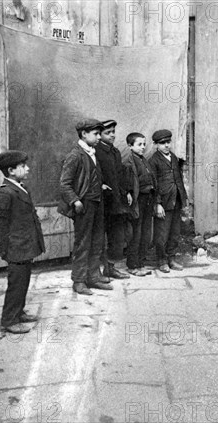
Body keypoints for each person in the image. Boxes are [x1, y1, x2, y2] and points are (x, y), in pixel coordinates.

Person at [0, 150, 45, 334]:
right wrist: (3, 249)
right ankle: (9, 320)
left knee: (23, 281)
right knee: (16, 284)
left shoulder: (21, 188)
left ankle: (19, 312)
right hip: (15, 247)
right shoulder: (5, 193)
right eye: (23, 166)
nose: (28, 168)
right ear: (11, 170)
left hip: (25, 246)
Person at [58, 119, 112, 295]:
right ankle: (79, 281)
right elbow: (64, 184)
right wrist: (75, 200)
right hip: (84, 205)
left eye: (99, 133)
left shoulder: (91, 153)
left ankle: (93, 277)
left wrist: (100, 186)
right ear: (84, 134)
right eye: (96, 134)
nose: (98, 137)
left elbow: (90, 177)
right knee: (83, 243)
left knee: (97, 240)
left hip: (97, 203)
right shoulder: (75, 155)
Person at [95, 119, 131, 280]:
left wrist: (127, 192)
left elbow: (120, 175)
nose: (111, 135)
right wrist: (100, 185)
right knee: (98, 238)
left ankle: (110, 268)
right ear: (99, 135)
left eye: (113, 132)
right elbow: (91, 174)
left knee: (116, 237)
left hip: (116, 202)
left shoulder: (115, 152)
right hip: (101, 202)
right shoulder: (95, 151)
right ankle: (95, 272)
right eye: (107, 133)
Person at [149, 129, 188, 273]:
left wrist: (183, 198)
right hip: (163, 203)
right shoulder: (153, 161)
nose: (166, 145)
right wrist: (157, 204)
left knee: (175, 232)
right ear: (155, 145)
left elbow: (179, 180)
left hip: (176, 200)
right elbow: (154, 184)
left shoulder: (174, 157)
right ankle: (162, 260)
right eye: (162, 143)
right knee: (162, 234)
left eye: (168, 142)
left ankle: (171, 258)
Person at [123, 132, 156, 277]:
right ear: (130, 146)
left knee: (145, 233)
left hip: (148, 200)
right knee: (135, 234)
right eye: (139, 144)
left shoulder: (144, 160)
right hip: (137, 201)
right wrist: (128, 193)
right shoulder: (129, 162)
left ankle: (141, 262)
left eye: (144, 144)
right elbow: (125, 184)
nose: (143, 147)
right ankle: (132, 265)